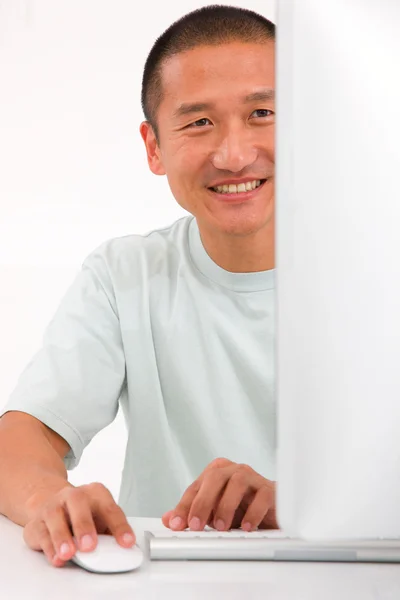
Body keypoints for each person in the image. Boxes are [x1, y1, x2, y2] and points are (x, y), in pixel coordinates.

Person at [0, 4, 277, 568]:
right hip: (161, 578)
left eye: (263, 112)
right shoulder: (125, 276)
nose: (234, 154)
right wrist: (50, 501)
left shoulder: (378, 273)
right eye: (199, 122)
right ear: (154, 147)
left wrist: (305, 508)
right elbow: (21, 439)